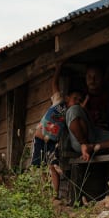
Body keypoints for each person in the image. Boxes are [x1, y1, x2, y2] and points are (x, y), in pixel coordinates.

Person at [30, 63, 84, 197]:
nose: (77, 101)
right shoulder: (59, 101)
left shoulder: (72, 114)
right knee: (39, 167)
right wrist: (58, 69)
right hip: (39, 139)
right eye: (75, 98)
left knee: (53, 166)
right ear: (67, 98)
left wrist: (83, 105)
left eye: (80, 100)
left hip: (52, 143)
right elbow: (54, 84)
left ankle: (54, 195)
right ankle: (44, 192)